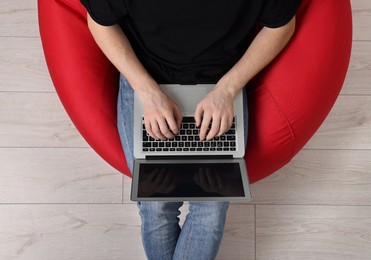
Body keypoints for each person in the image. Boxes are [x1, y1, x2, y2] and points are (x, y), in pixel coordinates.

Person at [80, 0, 301, 259]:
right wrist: (147, 92)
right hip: (147, 79)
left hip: (220, 84)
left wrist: (228, 89)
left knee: (212, 208)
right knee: (156, 204)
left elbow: (282, 25)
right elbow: (100, 22)